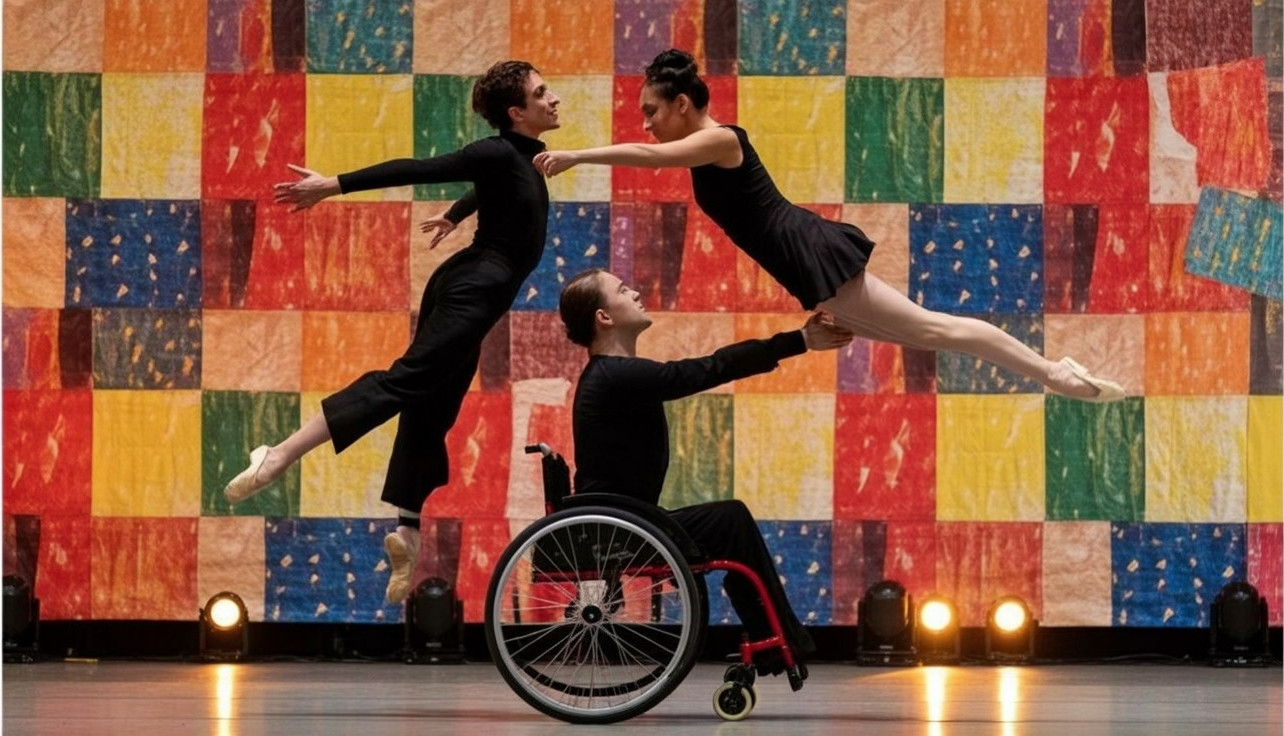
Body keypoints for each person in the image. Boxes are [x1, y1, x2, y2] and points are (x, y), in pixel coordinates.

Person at [535, 49, 1125, 402]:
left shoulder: (717, 139)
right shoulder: (703, 145)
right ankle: (1053, 373)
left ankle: (1055, 373)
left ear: (683, 105)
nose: (648, 124)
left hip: (811, 253)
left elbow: (655, 158)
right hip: (808, 264)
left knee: (936, 331)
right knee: (927, 334)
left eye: (651, 112)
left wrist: (578, 156)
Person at [223, 60, 561, 605]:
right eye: (542, 93)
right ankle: (280, 453)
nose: (555, 100)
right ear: (517, 112)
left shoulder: (523, 157)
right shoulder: (497, 150)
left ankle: (406, 531)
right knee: (410, 380)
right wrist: (334, 185)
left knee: (436, 401)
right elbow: (418, 167)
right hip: (473, 288)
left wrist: (455, 214)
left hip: (479, 289)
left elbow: (496, 190)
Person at [559, 267, 853, 680]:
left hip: (627, 521)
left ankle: (776, 641)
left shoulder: (614, 376)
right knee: (729, 520)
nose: (637, 290)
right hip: (622, 527)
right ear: (603, 317)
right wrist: (798, 341)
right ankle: (778, 641)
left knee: (729, 521)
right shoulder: (612, 375)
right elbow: (707, 369)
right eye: (623, 290)